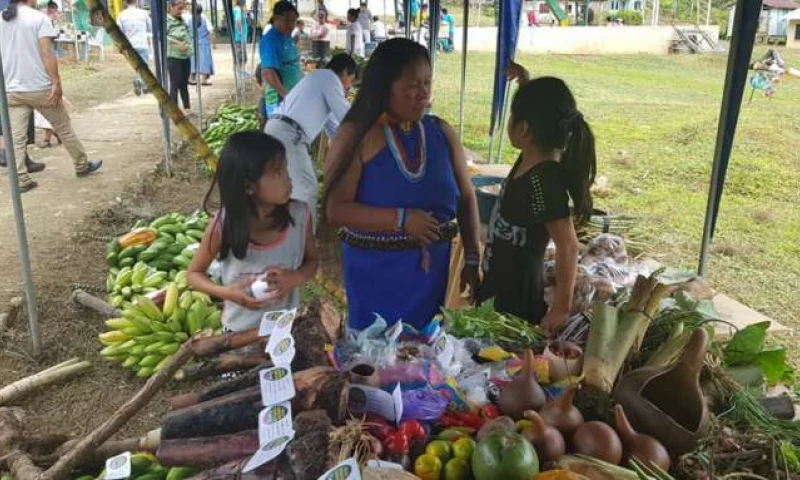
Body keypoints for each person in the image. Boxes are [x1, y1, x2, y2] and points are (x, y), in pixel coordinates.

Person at [324, 38, 480, 330]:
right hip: (376, 277)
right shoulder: (357, 135)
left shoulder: (441, 133)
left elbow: (467, 198)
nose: (423, 94)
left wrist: (472, 256)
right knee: (375, 360)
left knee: (421, 355)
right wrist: (402, 219)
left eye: (427, 83)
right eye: (412, 85)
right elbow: (336, 209)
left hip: (429, 276)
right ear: (385, 86)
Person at [477, 62, 594, 333]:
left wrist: (560, 309)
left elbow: (568, 246)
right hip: (497, 288)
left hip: (516, 304)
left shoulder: (544, 182)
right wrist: (525, 83)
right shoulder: (533, 154)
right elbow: (541, 111)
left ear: (524, 129)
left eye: (512, 116)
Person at [187, 131, 317, 332]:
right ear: (248, 186)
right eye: (277, 173)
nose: (288, 179)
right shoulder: (223, 225)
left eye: (286, 170)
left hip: (285, 331)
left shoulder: (300, 216)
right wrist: (227, 293)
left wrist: (295, 278)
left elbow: (312, 263)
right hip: (238, 334)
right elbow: (194, 274)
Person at [0, 0, 101, 191]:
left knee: (16, 138)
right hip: (40, 88)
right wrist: (56, 81)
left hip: (12, 90)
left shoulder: (2, 19)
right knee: (64, 127)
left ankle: (21, 179)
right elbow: (47, 52)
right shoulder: (39, 19)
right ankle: (82, 165)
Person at [266, 54, 357, 229]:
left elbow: (337, 130)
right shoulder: (328, 77)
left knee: (285, 186)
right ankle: (303, 244)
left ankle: (282, 232)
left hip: (278, 129)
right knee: (307, 188)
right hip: (289, 134)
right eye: (350, 81)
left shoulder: (320, 81)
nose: (349, 86)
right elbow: (348, 118)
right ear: (345, 72)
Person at [259, 1, 301, 117]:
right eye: (288, 20)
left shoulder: (287, 36)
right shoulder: (270, 40)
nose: (292, 25)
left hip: (292, 96)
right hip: (280, 99)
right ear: (276, 18)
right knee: (279, 131)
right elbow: (268, 73)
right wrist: (286, 95)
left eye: (294, 21)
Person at [118, 0, 152, 95]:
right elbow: (150, 27)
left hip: (129, 45)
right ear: (136, 2)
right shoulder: (143, 13)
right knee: (144, 66)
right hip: (142, 43)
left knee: (137, 66)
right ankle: (141, 82)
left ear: (126, 2)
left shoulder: (122, 15)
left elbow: (119, 31)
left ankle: (143, 85)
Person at [166, 0, 192, 115]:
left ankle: (187, 108)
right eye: (179, 8)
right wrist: (177, 43)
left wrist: (188, 47)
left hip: (185, 56)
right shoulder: (167, 21)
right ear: (171, 6)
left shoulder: (182, 20)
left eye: (182, 8)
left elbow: (187, 34)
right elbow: (163, 36)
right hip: (174, 57)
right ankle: (174, 111)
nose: (181, 11)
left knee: (184, 84)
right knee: (175, 84)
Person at [187, 4, 214, 86]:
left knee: (193, 60)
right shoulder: (205, 19)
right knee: (204, 60)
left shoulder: (189, 20)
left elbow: (186, 32)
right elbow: (211, 31)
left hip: (192, 43)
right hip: (204, 43)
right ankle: (204, 80)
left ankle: (191, 79)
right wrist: (212, 42)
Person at [232, 0, 248, 72]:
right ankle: (240, 71)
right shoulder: (238, 10)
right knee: (241, 55)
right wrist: (241, 32)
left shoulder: (234, 9)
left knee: (238, 54)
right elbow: (238, 20)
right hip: (239, 37)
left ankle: (238, 70)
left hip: (237, 36)